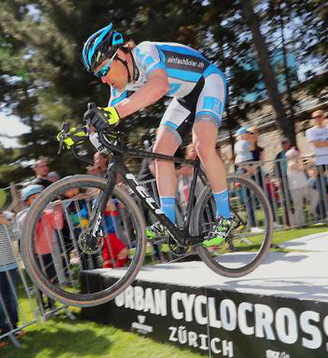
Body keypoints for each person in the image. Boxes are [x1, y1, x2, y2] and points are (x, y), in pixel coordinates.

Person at [80, 23, 235, 248]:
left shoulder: (145, 52)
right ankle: (168, 220)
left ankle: (226, 217)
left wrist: (115, 113)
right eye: (98, 75)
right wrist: (88, 133)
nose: (103, 79)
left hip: (209, 83)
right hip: (184, 97)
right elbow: (109, 117)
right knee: (160, 153)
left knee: (202, 145)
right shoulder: (119, 84)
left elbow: (159, 85)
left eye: (104, 70)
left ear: (121, 55)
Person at [17, 185, 63, 311]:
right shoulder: (24, 216)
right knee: (39, 281)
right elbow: (24, 233)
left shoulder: (47, 213)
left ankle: (52, 304)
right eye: (33, 198)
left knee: (51, 279)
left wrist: (58, 210)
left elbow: (58, 226)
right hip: (34, 254)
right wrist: (35, 218)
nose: (37, 200)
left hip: (48, 251)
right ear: (27, 201)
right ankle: (41, 307)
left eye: (39, 197)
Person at [0, 188, 25, 347]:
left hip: (11, 264)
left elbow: (17, 235)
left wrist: (6, 223)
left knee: (13, 297)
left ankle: (15, 327)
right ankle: (3, 332)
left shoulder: (8, 215)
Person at [306, 110, 328, 218]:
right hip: (320, 162)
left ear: (323, 117)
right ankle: (322, 211)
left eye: (319, 116)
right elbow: (315, 144)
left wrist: (323, 143)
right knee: (321, 187)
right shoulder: (310, 131)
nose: (317, 118)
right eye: (315, 117)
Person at [286, 148, 319, 226]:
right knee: (298, 206)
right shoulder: (290, 164)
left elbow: (304, 168)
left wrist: (309, 160)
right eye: (296, 155)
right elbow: (301, 168)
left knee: (315, 194)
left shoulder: (297, 162)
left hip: (303, 186)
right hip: (295, 188)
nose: (298, 156)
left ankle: (311, 210)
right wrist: (308, 161)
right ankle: (299, 224)